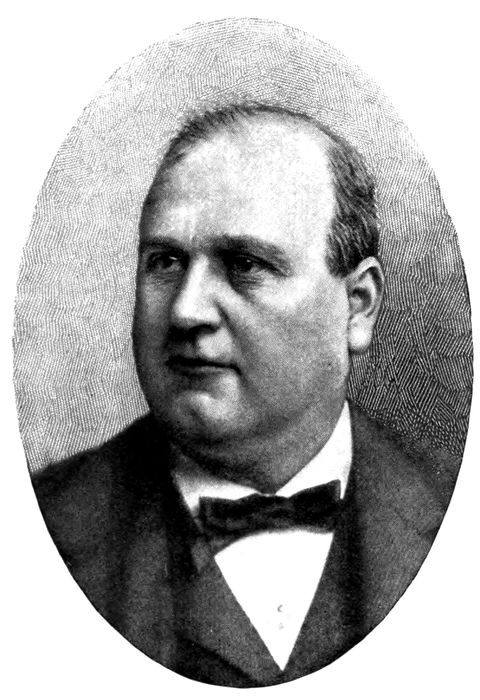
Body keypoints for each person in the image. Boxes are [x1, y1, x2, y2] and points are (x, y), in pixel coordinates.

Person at [33, 103, 447, 687]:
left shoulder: (453, 513)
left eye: (244, 264)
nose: (186, 311)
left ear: (357, 306)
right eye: (165, 262)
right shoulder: (38, 531)